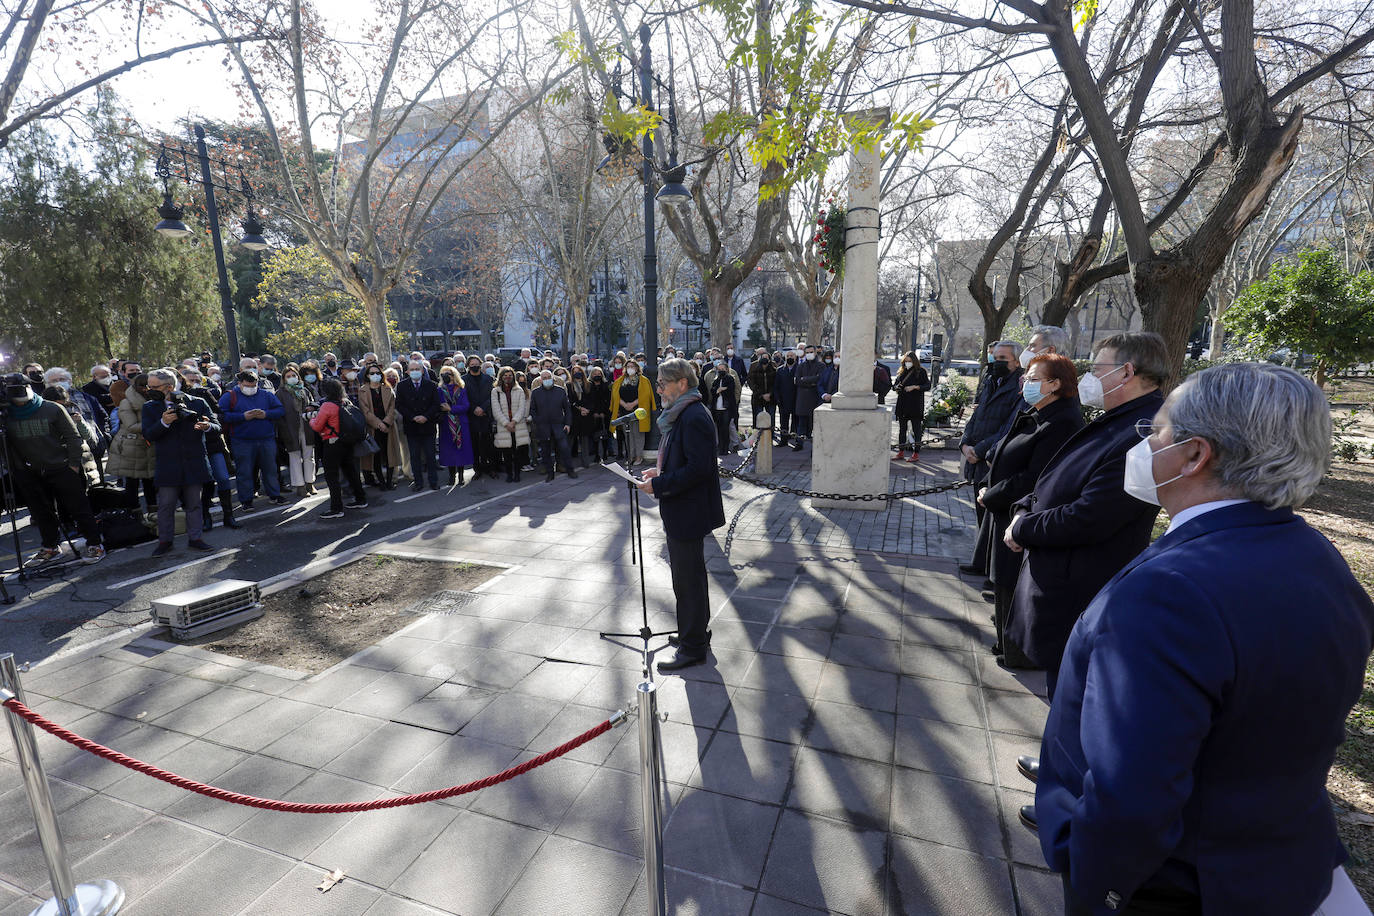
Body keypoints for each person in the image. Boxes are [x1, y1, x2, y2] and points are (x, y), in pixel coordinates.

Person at [1037, 362, 1374, 916]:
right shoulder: (1318, 559)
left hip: (1179, 885)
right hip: (1278, 867)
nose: (1143, 445)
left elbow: (1131, 796)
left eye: (1156, 432)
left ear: (1195, 454)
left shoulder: (1169, 593)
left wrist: (1095, 880)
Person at [976, 354, 1083, 669]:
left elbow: (1035, 477)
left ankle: (1017, 652)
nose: (1026, 382)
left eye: (1035, 378)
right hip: (1005, 509)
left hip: (1024, 515)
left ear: (1055, 384)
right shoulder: (1038, 412)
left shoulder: (1062, 421)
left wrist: (993, 494)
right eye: (1027, 376)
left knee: (1013, 583)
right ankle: (1005, 645)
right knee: (1003, 585)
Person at [637, 358, 725, 672]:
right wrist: (658, 470)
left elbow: (699, 469)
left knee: (687, 583)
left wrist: (659, 484)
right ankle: (695, 633)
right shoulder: (683, 412)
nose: (658, 389)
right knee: (690, 580)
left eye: (662, 383)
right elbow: (682, 459)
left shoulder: (693, 416)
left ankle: (693, 647)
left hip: (688, 512)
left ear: (682, 383)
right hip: (683, 511)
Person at [3, 375, 105, 564]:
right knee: (41, 512)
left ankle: (95, 543)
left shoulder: (51, 408)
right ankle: (50, 546)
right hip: (28, 472)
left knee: (79, 508)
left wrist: (73, 465)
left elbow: (73, 437)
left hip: (61, 467)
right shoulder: (6, 415)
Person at [957, 341, 1024, 579]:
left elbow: (1010, 425)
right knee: (980, 514)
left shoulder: (1020, 386)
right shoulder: (990, 380)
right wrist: (965, 443)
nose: (996, 362)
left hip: (993, 459)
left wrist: (981, 449)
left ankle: (992, 572)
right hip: (976, 456)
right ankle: (980, 562)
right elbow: (977, 414)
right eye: (995, 357)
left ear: (1017, 361)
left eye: (1002, 358)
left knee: (993, 517)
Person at [142, 368, 218, 555]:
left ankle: (196, 538)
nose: (149, 390)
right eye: (148, 386)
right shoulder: (150, 407)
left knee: (194, 504)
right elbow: (148, 435)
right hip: (168, 464)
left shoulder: (197, 402)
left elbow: (217, 426)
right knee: (166, 505)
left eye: (153, 386)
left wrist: (207, 426)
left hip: (194, 462)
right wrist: (164, 422)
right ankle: (165, 541)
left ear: (169, 386)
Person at [219, 370, 287, 509]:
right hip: (241, 440)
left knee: (270, 469)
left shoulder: (266, 395)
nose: (251, 388)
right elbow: (221, 415)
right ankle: (246, 500)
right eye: (248, 385)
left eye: (254, 385)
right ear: (239, 384)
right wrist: (242, 416)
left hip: (266, 439)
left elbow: (280, 410)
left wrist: (266, 414)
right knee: (244, 471)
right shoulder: (229, 396)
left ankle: (274, 494)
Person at [180, 367, 238, 530]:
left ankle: (229, 516)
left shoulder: (202, 396)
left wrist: (208, 422)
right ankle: (206, 517)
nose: (193, 382)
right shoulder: (171, 402)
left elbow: (219, 417)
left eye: (196, 379)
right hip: (193, 448)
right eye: (189, 379)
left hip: (212, 444)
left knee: (223, 478)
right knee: (206, 483)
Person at [310, 378, 368, 518]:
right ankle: (361, 499)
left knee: (331, 476)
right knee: (351, 472)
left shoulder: (327, 405)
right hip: (347, 441)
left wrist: (311, 418)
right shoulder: (345, 402)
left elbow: (317, 426)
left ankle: (336, 508)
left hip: (332, 443)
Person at [105, 372, 157, 511]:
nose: (146, 388)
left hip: (150, 444)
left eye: (149, 386)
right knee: (133, 482)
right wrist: (159, 423)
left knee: (150, 481)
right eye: (142, 385)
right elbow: (131, 426)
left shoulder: (155, 399)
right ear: (136, 386)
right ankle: (134, 515)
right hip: (132, 445)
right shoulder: (127, 402)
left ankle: (154, 514)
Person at [396, 359, 441, 491]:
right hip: (412, 426)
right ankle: (418, 482)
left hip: (428, 425)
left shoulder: (431, 385)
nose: (415, 372)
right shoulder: (402, 385)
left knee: (430, 456)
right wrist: (413, 417)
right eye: (412, 370)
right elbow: (399, 405)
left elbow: (436, 404)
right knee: (414, 457)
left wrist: (425, 416)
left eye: (417, 369)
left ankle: (433, 481)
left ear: (422, 371)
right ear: (408, 371)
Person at [277, 363, 319, 498]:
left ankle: (309, 483)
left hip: (306, 427)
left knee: (309, 456)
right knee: (294, 457)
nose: (292, 378)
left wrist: (311, 408)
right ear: (284, 379)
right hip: (290, 429)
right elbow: (279, 414)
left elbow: (313, 403)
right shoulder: (280, 393)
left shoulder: (304, 390)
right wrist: (284, 431)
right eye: (288, 376)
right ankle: (300, 486)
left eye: (294, 375)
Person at [529, 369, 577, 481]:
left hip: (559, 425)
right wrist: (538, 421)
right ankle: (550, 473)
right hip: (543, 426)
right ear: (541, 379)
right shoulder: (536, 393)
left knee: (564, 448)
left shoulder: (560, 391)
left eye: (548, 377)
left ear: (552, 378)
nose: (547, 380)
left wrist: (568, 424)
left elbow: (567, 409)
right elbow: (532, 410)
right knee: (545, 451)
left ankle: (570, 470)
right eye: (544, 378)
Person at [359, 363, 401, 490]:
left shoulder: (388, 389)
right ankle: (381, 482)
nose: (375, 375)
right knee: (376, 456)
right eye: (372, 373)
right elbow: (365, 411)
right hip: (373, 428)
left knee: (390, 455)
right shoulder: (363, 390)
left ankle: (389, 481)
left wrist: (386, 422)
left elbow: (393, 409)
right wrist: (379, 424)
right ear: (367, 375)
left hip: (389, 427)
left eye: (377, 373)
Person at [437, 366, 473, 487]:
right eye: (443, 374)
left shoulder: (461, 389)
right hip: (446, 424)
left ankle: (461, 476)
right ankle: (452, 476)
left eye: (448, 374)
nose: (446, 376)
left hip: (461, 423)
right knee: (449, 451)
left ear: (454, 375)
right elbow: (439, 405)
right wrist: (446, 409)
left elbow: (466, 405)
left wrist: (451, 409)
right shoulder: (440, 390)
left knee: (460, 450)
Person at [612, 358, 652, 467]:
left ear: (637, 368)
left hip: (638, 411)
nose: (630, 369)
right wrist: (624, 404)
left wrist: (633, 404)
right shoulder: (620, 380)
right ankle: (631, 456)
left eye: (632, 367)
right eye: (628, 366)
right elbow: (615, 395)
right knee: (628, 434)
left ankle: (639, 456)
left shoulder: (643, 380)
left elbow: (645, 395)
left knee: (638, 434)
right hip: (624, 411)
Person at [492, 366, 530, 482]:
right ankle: (509, 474)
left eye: (510, 375)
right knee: (507, 453)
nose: (507, 378)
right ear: (501, 377)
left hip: (518, 425)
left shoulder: (519, 390)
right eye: (505, 375)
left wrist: (514, 422)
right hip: (504, 426)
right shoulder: (495, 391)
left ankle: (517, 474)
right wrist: (506, 423)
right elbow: (495, 409)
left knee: (517, 452)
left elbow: (521, 408)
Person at [891, 351, 931, 463]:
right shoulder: (902, 371)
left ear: (914, 361)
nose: (908, 363)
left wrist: (915, 387)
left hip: (915, 405)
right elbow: (894, 386)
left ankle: (916, 453)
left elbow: (927, 386)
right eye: (906, 361)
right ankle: (901, 452)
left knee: (916, 430)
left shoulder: (921, 371)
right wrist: (896, 387)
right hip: (902, 404)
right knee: (902, 430)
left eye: (909, 361)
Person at [464, 355, 497, 479]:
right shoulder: (463, 380)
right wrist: (474, 408)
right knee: (475, 445)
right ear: (468, 365)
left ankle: (491, 468)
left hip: (486, 415)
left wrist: (483, 408)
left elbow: (491, 396)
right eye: (471, 364)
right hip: (472, 416)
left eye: (476, 363)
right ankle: (477, 469)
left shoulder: (488, 379)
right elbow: (464, 397)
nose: (474, 366)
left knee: (488, 443)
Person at [791, 344, 823, 449]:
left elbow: (819, 379)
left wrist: (805, 379)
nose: (809, 354)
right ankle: (799, 443)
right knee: (801, 424)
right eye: (807, 352)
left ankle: (815, 446)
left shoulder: (821, 366)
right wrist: (810, 380)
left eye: (811, 352)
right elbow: (797, 381)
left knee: (814, 424)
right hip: (802, 398)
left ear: (815, 353)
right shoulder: (801, 366)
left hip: (814, 398)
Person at [706, 356, 738, 455]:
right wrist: (719, 390)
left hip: (727, 407)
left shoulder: (730, 378)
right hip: (717, 408)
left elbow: (730, 390)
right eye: (719, 369)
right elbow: (712, 390)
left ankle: (726, 448)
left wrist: (721, 390)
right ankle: (720, 448)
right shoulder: (716, 379)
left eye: (723, 369)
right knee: (719, 428)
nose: (721, 371)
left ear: (726, 369)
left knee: (725, 428)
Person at [748, 348, 776, 435]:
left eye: (766, 356)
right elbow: (751, 381)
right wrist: (761, 394)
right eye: (762, 356)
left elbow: (776, 382)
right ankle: (757, 435)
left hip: (770, 398)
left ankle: (771, 434)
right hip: (758, 397)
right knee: (757, 417)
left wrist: (770, 394)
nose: (764, 358)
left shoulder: (773, 365)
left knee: (771, 416)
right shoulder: (754, 365)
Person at [774, 349, 797, 447]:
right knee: (783, 422)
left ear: (795, 358)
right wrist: (778, 399)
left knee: (796, 422)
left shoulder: (799, 369)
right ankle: (783, 440)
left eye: (792, 356)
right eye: (788, 356)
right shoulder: (780, 370)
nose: (790, 358)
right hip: (783, 400)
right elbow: (776, 386)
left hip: (796, 400)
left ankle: (796, 440)